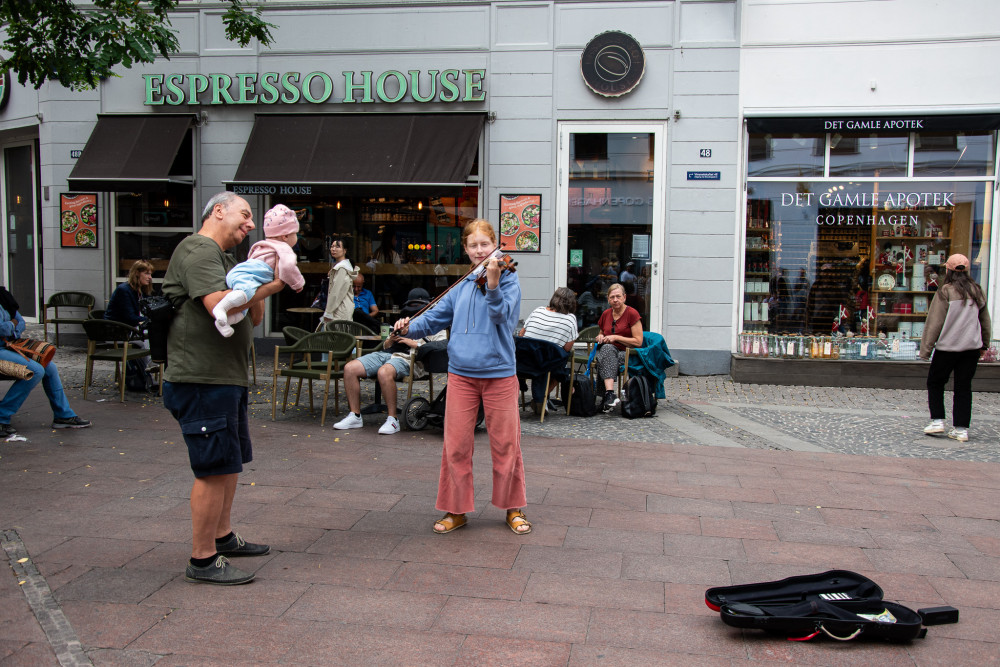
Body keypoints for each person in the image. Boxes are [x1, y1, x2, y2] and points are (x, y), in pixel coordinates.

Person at [161, 192, 283, 585]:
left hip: (223, 378)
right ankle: (202, 559)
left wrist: (261, 274)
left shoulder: (228, 261)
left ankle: (223, 537)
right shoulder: (198, 250)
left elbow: (254, 314)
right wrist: (275, 283)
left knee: (229, 463)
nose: (250, 225)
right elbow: (223, 306)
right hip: (201, 378)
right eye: (245, 216)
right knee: (213, 469)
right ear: (218, 211)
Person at [393, 219, 531, 536]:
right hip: (462, 375)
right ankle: (456, 510)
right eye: (473, 245)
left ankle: (514, 507)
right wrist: (407, 327)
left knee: (506, 445)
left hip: (498, 373)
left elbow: (502, 318)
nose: (480, 250)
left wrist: (493, 284)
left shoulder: (508, 278)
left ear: (495, 245)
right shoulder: (463, 285)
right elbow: (433, 317)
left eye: (485, 244)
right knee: (455, 446)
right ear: (466, 249)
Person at [335, 288, 446, 435]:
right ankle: (355, 415)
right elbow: (385, 346)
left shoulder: (436, 323)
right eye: (412, 305)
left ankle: (392, 419)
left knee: (384, 371)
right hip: (389, 353)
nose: (414, 309)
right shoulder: (406, 319)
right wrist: (391, 339)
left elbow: (441, 346)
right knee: (350, 368)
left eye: (417, 305)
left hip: (411, 358)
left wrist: (414, 344)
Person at [919, 254, 991, 443]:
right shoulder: (977, 291)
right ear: (967, 271)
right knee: (963, 387)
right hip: (970, 348)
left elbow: (935, 322)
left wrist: (925, 350)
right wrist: (984, 344)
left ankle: (937, 421)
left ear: (948, 270)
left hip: (947, 347)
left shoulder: (946, 291)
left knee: (935, 382)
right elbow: (985, 321)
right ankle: (961, 429)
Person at [0, 286, 91, 436]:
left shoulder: (3, 296)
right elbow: (7, 326)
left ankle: (63, 415)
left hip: (10, 346)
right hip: (2, 349)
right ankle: (2, 415)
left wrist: (11, 326)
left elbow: (21, 322)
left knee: (49, 367)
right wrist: (12, 324)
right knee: (35, 370)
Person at [212, 204, 305, 337]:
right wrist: (298, 283)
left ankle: (224, 322)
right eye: (295, 233)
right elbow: (289, 267)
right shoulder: (283, 248)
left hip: (239, 273)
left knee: (242, 310)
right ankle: (221, 309)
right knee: (245, 293)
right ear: (285, 236)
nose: (296, 237)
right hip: (247, 278)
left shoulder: (263, 245)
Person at [518, 287, 578, 413]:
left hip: (522, 362)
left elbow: (521, 335)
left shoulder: (538, 310)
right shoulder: (570, 319)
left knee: (544, 358)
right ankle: (542, 399)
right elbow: (567, 348)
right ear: (571, 303)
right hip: (545, 364)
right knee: (561, 366)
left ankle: (523, 382)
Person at [594, 282, 643, 413]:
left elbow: (638, 342)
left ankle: (607, 396)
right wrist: (600, 336)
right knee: (606, 351)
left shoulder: (632, 314)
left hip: (627, 352)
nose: (615, 300)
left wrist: (616, 337)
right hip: (610, 351)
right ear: (608, 299)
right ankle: (609, 395)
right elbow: (601, 332)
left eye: (618, 296)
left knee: (605, 355)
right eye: (612, 297)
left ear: (624, 297)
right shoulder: (606, 314)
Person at [319, 236, 358, 327]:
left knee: (337, 338)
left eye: (337, 247)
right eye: (332, 246)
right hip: (341, 308)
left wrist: (328, 312)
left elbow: (336, 293)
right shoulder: (342, 266)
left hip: (339, 309)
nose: (333, 249)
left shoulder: (342, 268)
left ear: (345, 250)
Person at [105, 259, 154, 328]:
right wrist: (153, 320)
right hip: (116, 328)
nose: (150, 277)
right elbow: (130, 317)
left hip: (132, 326)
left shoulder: (142, 290)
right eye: (147, 273)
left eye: (150, 274)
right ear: (137, 273)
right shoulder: (123, 290)